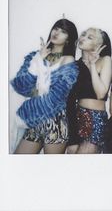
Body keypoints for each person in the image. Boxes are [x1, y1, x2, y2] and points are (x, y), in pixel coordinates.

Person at [11, 18, 79, 154]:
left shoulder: (68, 60)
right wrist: (38, 60)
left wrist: (34, 94)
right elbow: (21, 86)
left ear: (68, 39)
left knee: (51, 171)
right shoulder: (35, 56)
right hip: (35, 122)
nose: (57, 33)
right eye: (56, 28)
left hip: (56, 122)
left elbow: (57, 97)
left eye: (63, 31)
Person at [66, 28, 112, 154]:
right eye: (83, 35)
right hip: (77, 118)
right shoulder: (74, 65)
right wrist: (72, 140)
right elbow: (69, 102)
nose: (83, 38)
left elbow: (101, 93)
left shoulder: (105, 60)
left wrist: (92, 65)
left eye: (89, 37)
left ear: (98, 45)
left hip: (96, 119)